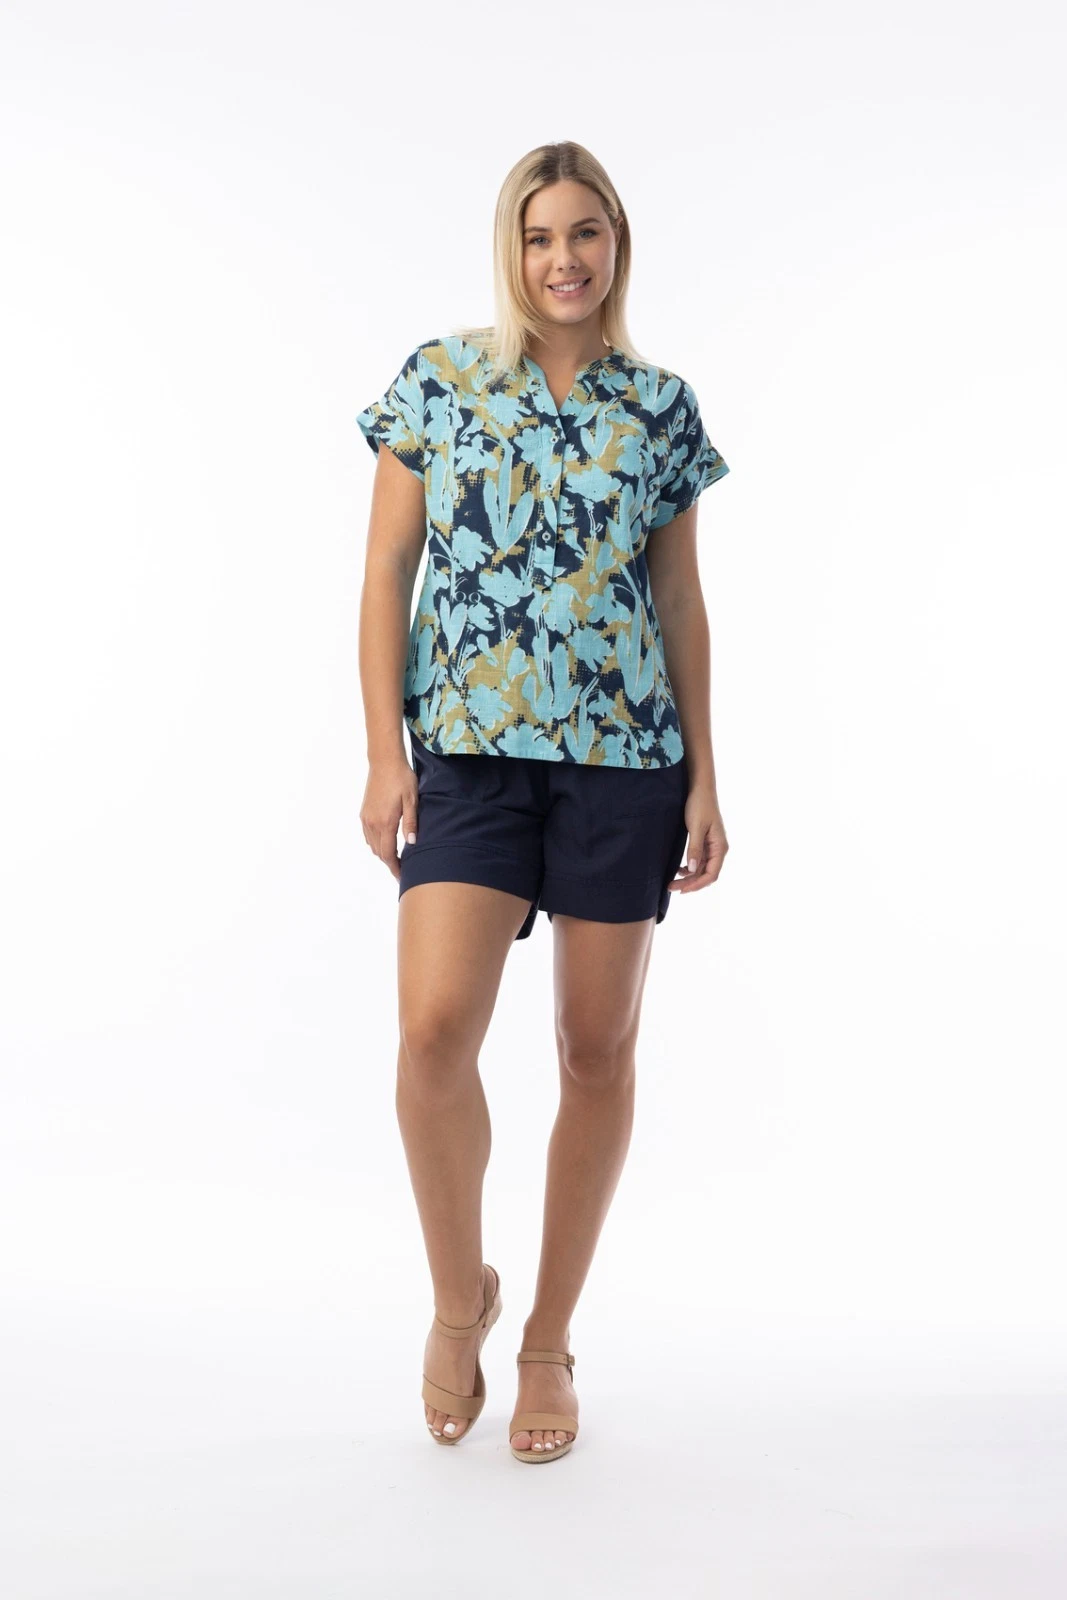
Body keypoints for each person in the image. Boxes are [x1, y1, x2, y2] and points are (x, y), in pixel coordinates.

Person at [355, 141, 731, 1464]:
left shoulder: (659, 407)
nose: (563, 259)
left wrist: (705, 772)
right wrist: (384, 752)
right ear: (509, 250)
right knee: (432, 1036)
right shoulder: (443, 378)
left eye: (584, 232)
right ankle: (461, 1301)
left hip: (625, 761)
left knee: (593, 1051)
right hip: (466, 754)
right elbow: (387, 566)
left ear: (615, 243)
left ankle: (548, 1343)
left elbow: (676, 596)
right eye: (537, 235)